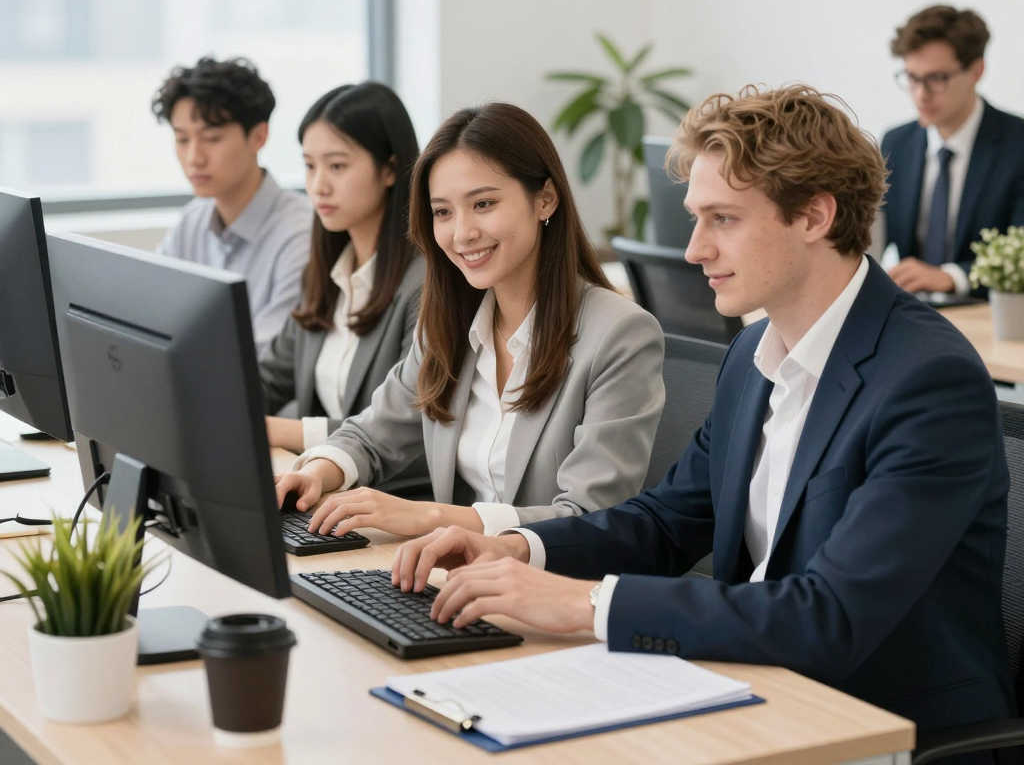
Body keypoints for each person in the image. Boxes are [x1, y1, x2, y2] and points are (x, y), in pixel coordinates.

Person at [394, 84, 1013, 746]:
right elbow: (665, 524)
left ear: (814, 217)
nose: (694, 251)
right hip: (754, 697)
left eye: (722, 219)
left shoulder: (926, 379)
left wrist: (583, 603)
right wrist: (516, 548)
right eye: (695, 218)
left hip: (880, 729)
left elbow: (828, 617)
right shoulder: (753, 354)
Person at [274, 102, 665, 539]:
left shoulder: (619, 334)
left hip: (549, 588)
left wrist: (434, 518)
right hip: (455, 576)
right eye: (443, 212)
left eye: (483, 204)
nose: (462, 233)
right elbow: (371, 436)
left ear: (545, 199)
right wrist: (318, 472)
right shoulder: (451, 324)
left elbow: (591, 516)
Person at [260, 82, 430, 496]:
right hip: (328, 495)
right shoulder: (329, 274)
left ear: (390, 169)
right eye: (309, 166)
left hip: (395, 502)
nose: (318, 186)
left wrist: (279, 430)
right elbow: (267, 378)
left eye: (337, 166)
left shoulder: (425, 283)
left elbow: (407, 429)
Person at [152, 57, 311, 355]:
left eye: (212, 138)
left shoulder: (300, 234)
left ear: (258, 137)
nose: (193, 158)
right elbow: (150, 310)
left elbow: (268, 357)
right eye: (182, 139)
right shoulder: (193, 220)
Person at [882, 5, 1024, 295]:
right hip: (912, 316)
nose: (921, 94)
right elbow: (869, 240)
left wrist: (953, 277)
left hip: (989, 317)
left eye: (936, 79)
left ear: (976, 70)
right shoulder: (896, 143)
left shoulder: (1018, 143)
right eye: (911, 77)